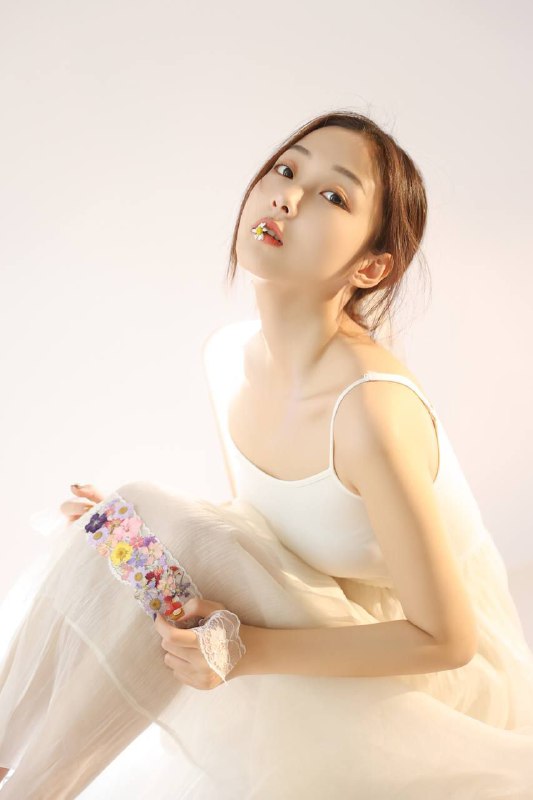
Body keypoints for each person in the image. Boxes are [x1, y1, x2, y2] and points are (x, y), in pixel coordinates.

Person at [1, 110, 533, 799]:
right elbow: (256, 531)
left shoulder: (370, 410)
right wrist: (131, 538)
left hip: (429, 682)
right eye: (286, 170)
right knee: (126, 523)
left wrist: (244, 650)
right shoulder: (229, 358)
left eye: (333, 195)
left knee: (149, 516)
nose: (288, 197)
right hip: (325, 614)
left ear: (371, 267)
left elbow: (445, 641)